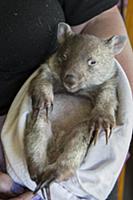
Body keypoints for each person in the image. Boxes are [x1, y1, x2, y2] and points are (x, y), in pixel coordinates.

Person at [0, 0, 133, 199]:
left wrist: (122, 133)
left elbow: (96, 18)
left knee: (83, 131)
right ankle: (38, 174)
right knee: (39, 123)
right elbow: (46, 77)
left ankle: (62, 171)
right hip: (17, 158)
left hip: (85, 166)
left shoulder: (104, 75)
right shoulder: (54, 68)